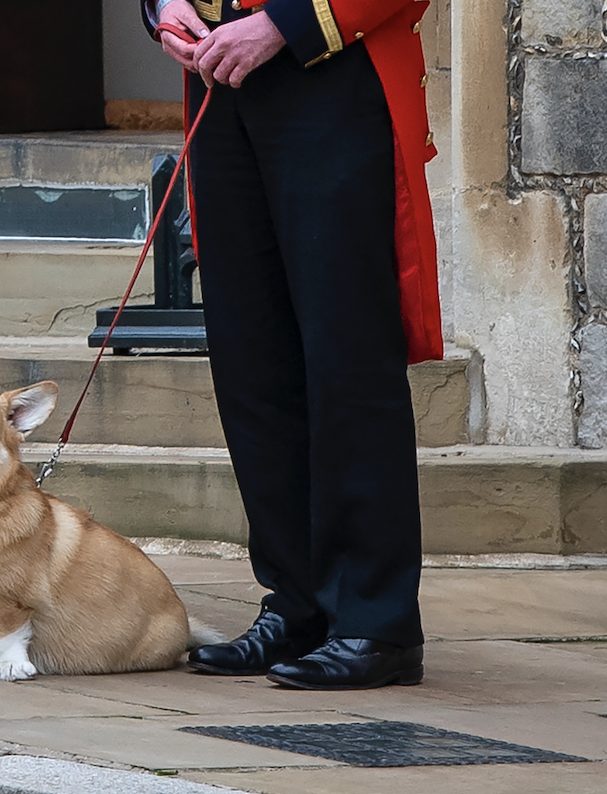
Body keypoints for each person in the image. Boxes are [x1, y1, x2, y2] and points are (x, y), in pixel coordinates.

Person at [142, 0, 442, 689]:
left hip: (333, 74)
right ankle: (298, 603)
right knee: (254, 360)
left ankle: (375, 620)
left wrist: (284, 25)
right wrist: (167, 7)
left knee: (346, 355)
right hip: (222, 79)